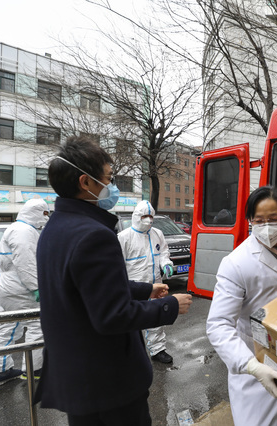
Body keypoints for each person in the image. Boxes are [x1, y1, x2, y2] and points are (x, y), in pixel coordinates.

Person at [34, 135, 193, 425]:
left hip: (80, 380)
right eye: (108, 178)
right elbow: (111, 315)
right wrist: (170, 305)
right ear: (85, 182)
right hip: (108, 385)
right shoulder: (95, 235)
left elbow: (90, 289)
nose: (112, 186)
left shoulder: (54, 229)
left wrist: (146, 289)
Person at [206, 186, 277, 426]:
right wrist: (251, 366)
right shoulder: (236, 263)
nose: (267, 226)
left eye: (274, 219)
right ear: (249, 221)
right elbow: (218, 325)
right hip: (256, 355)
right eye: (259, 220)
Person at [0, 198, 49, 387]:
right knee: (37, 325)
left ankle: (0, 371)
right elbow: (26, 262)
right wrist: (36, 287)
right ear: (36, 212)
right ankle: (34, 369)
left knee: (7, 327)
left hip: (6, 285)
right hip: (19, 287)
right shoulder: (24, 231)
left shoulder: (17, 228)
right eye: (45, 213)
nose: (47, 218)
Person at [118, 200, 176, 364]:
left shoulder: (157, 233)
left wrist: (166, 264)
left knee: (156, 318)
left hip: (155, 285)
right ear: (136, 216)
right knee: (131, 321)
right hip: (134, 287)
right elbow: (118, 265)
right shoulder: (124, 237)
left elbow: (163, 252)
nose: (149, 220)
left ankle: (158, 350)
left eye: (151, 216)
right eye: (144, 216)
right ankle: (129, 353)